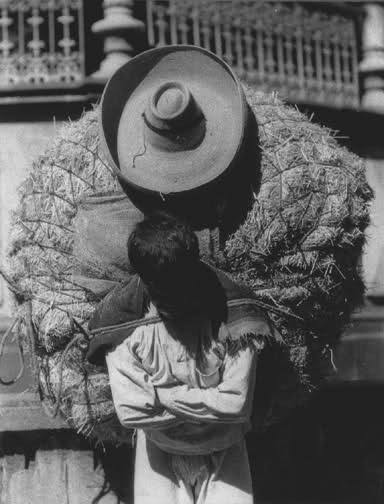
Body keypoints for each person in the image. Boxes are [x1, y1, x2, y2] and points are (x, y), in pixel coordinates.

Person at [89, 212, 273, 504]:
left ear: (194, 271)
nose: (174, 300)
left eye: (181, 288)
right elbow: (131, 412)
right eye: (163, 292)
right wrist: (211, 401)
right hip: (159, 454)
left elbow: (237, 404)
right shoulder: (122, 323)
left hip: (225, 452)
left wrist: (163, 396)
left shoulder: (236, 315)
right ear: (145, 281)